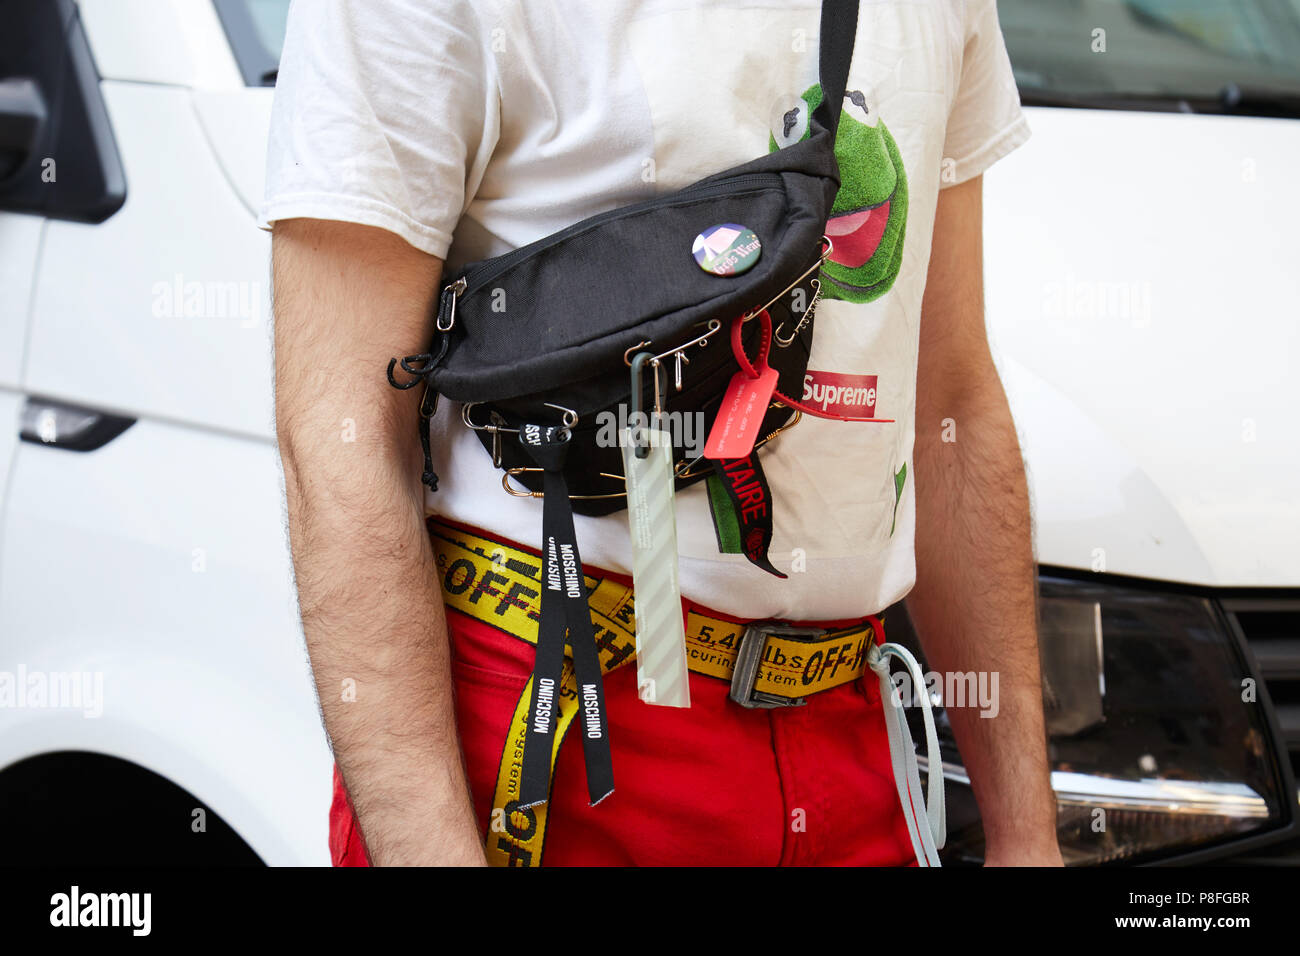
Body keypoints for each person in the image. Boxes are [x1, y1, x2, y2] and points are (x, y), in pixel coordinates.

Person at [261, 0, 1063, 866]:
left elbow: (952, 398)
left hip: (855, 730)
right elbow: (341, 442)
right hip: (552, 730)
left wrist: (1028, 836)